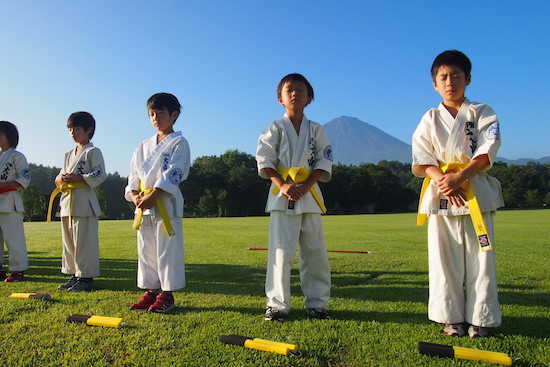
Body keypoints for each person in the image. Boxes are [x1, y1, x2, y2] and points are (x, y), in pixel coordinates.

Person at [412, 50, 504, 338]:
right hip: (441, 195)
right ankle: (451, 318)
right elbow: (422, 157)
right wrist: (443, 181)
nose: (450, 82)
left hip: (474, 190)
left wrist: (460, 176)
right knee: (444, 260)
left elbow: (488, 148)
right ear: (434, 84)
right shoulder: (428, 118)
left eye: (456, 76)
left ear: (468, 79)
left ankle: (482, 319)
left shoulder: (483, 112)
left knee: (481, 259)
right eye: (443, 77)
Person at [256, 73, 333, 321]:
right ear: (280, 98)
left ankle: (317, 304)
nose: (295, 94)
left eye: (301, 90)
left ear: (309, 98)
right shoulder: (274, 128)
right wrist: (283, 184)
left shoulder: (317, 130)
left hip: (309, 195)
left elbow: (324, 160)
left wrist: (307, 185)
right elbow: (264, 161)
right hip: (282, 195)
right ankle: (277, 305)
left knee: (315, 252)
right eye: (289, 90)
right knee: (280, 251)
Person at [125, 92, 190, 313]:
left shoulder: (179, 143)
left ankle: (167, 294)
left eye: (159, 113)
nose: (155, 118)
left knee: (167, 249)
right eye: (151, 114)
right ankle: (151, 290)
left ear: (173, 115)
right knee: (146, 250)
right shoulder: (142, 146)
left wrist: (154, 195)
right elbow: (133, 174)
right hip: (143, 205)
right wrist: (135, 195)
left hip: (165, 202)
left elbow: (175, 172)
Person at [52, 112, 106, 292]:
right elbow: (58, 178)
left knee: (84, 241)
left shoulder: (93, 151)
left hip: (84, 202)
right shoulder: (68, 154)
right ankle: (74, 274)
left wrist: (78, 177)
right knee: (69, 243)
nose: (72, 132)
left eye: (76, 128)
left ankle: (86, 277)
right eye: (69, 129)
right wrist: (61, 179)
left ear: (88, 129)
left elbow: (100, 173)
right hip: (67, 202)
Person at [0, 121, 30, 282]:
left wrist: (3, 185)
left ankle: (17, 270)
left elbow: (24, 179)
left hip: (9, 201)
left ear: (9, 137)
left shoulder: (17, 156)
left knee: (13, 238)